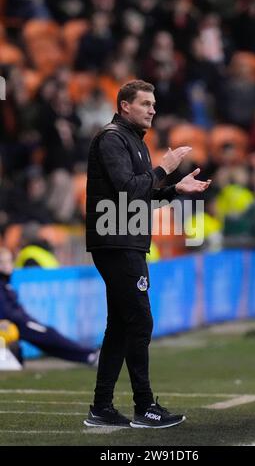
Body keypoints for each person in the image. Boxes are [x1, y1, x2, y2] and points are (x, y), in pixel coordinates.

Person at [85, 79, 211, 429]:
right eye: (144, 103)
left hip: (127, 241)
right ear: (125, 105)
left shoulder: (134, 142)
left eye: (153, 104)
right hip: (115, 241)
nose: (152, 109)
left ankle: (101, 407)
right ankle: (144, 406)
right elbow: (128, 191)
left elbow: (141, 194)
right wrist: (163, 169)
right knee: (140, 321)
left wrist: (173, 189)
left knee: (121, 326)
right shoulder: (112, 138)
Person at [0, 247, 99, 366]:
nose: (6, 266)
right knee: (47, 335)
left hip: (16, 322)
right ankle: (89, 355)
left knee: (48, 339)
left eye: (8, 261)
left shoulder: (6, 283)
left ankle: (88, 356)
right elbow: (8, 313)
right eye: (2, 262)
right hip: (14, 323)